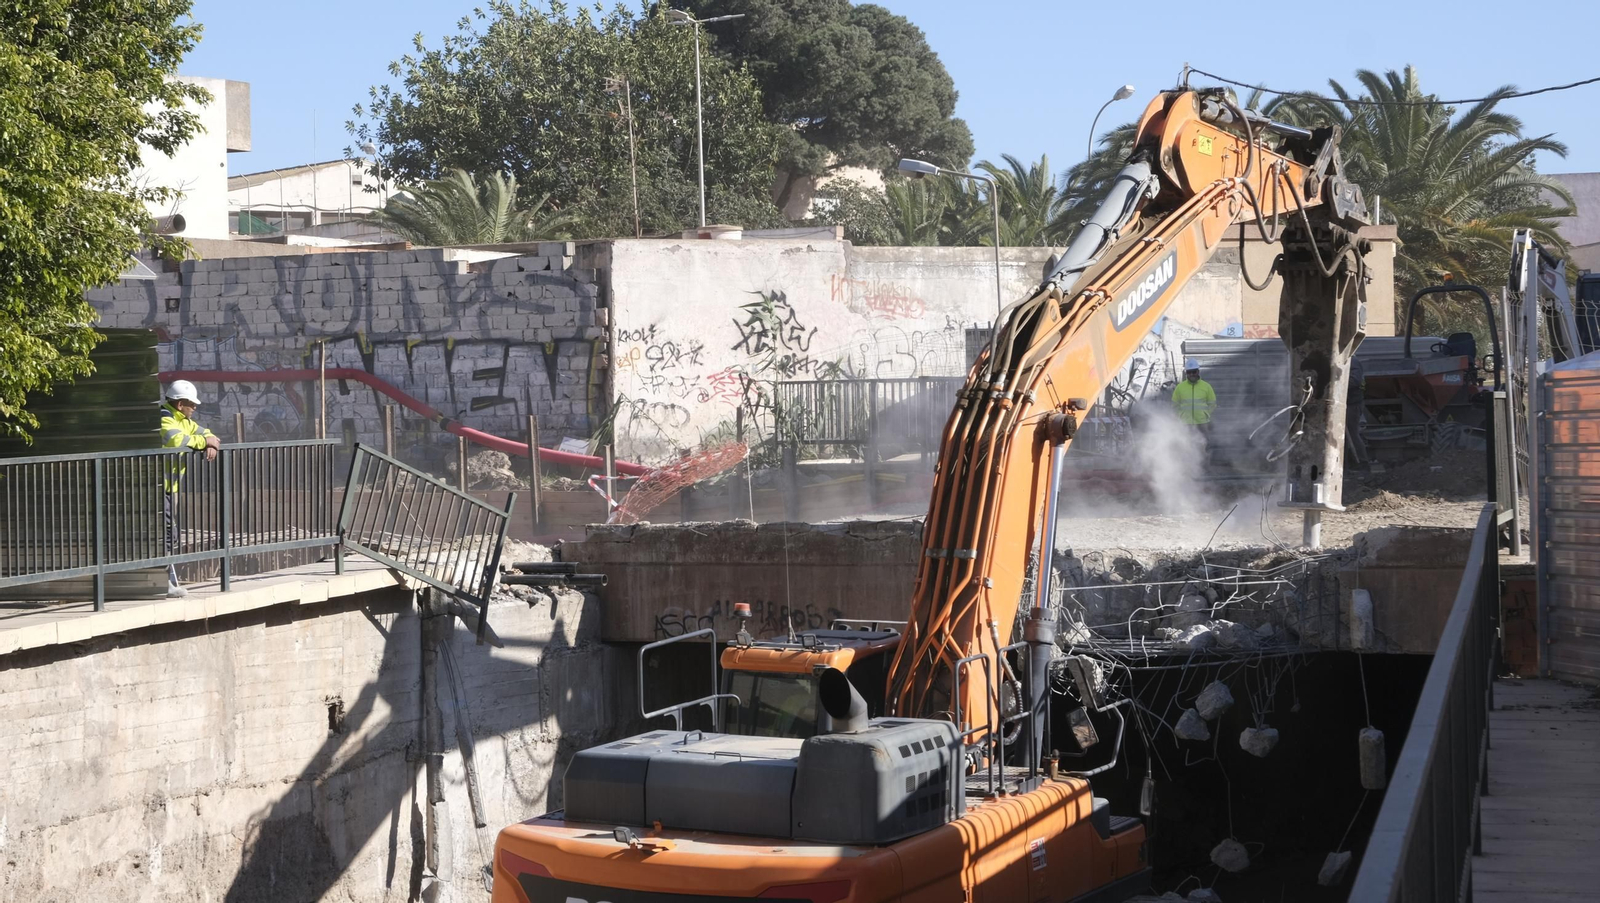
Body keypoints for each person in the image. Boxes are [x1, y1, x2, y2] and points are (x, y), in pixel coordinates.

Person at [160, 380, 219, 598]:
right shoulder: (164, 418)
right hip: (158, 486)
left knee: (170, 534)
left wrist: (209, 440)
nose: (194, 408)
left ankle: (165, 581)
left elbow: (206, 432)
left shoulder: (183, 420)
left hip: (169, 487)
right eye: (191, 404)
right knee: (165, 534)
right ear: (179, 404)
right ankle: (162, 582)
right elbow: (175, 440)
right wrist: (204, 443)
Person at [1171, 358, 1217, 450]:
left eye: (1194, 372)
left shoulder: (1206, 387)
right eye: (1189, 372)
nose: (1192, 374)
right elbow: (1174, 405)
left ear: (1198, 372)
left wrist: (1205, 414)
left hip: (1202, 423)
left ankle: (1204, 464)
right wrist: (1180, 415)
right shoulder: (1180, 387)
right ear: (1186, 373)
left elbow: (1212, 403)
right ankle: (1188, 464)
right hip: (1185, 423)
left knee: (1204, 447)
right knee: (1186, 446)